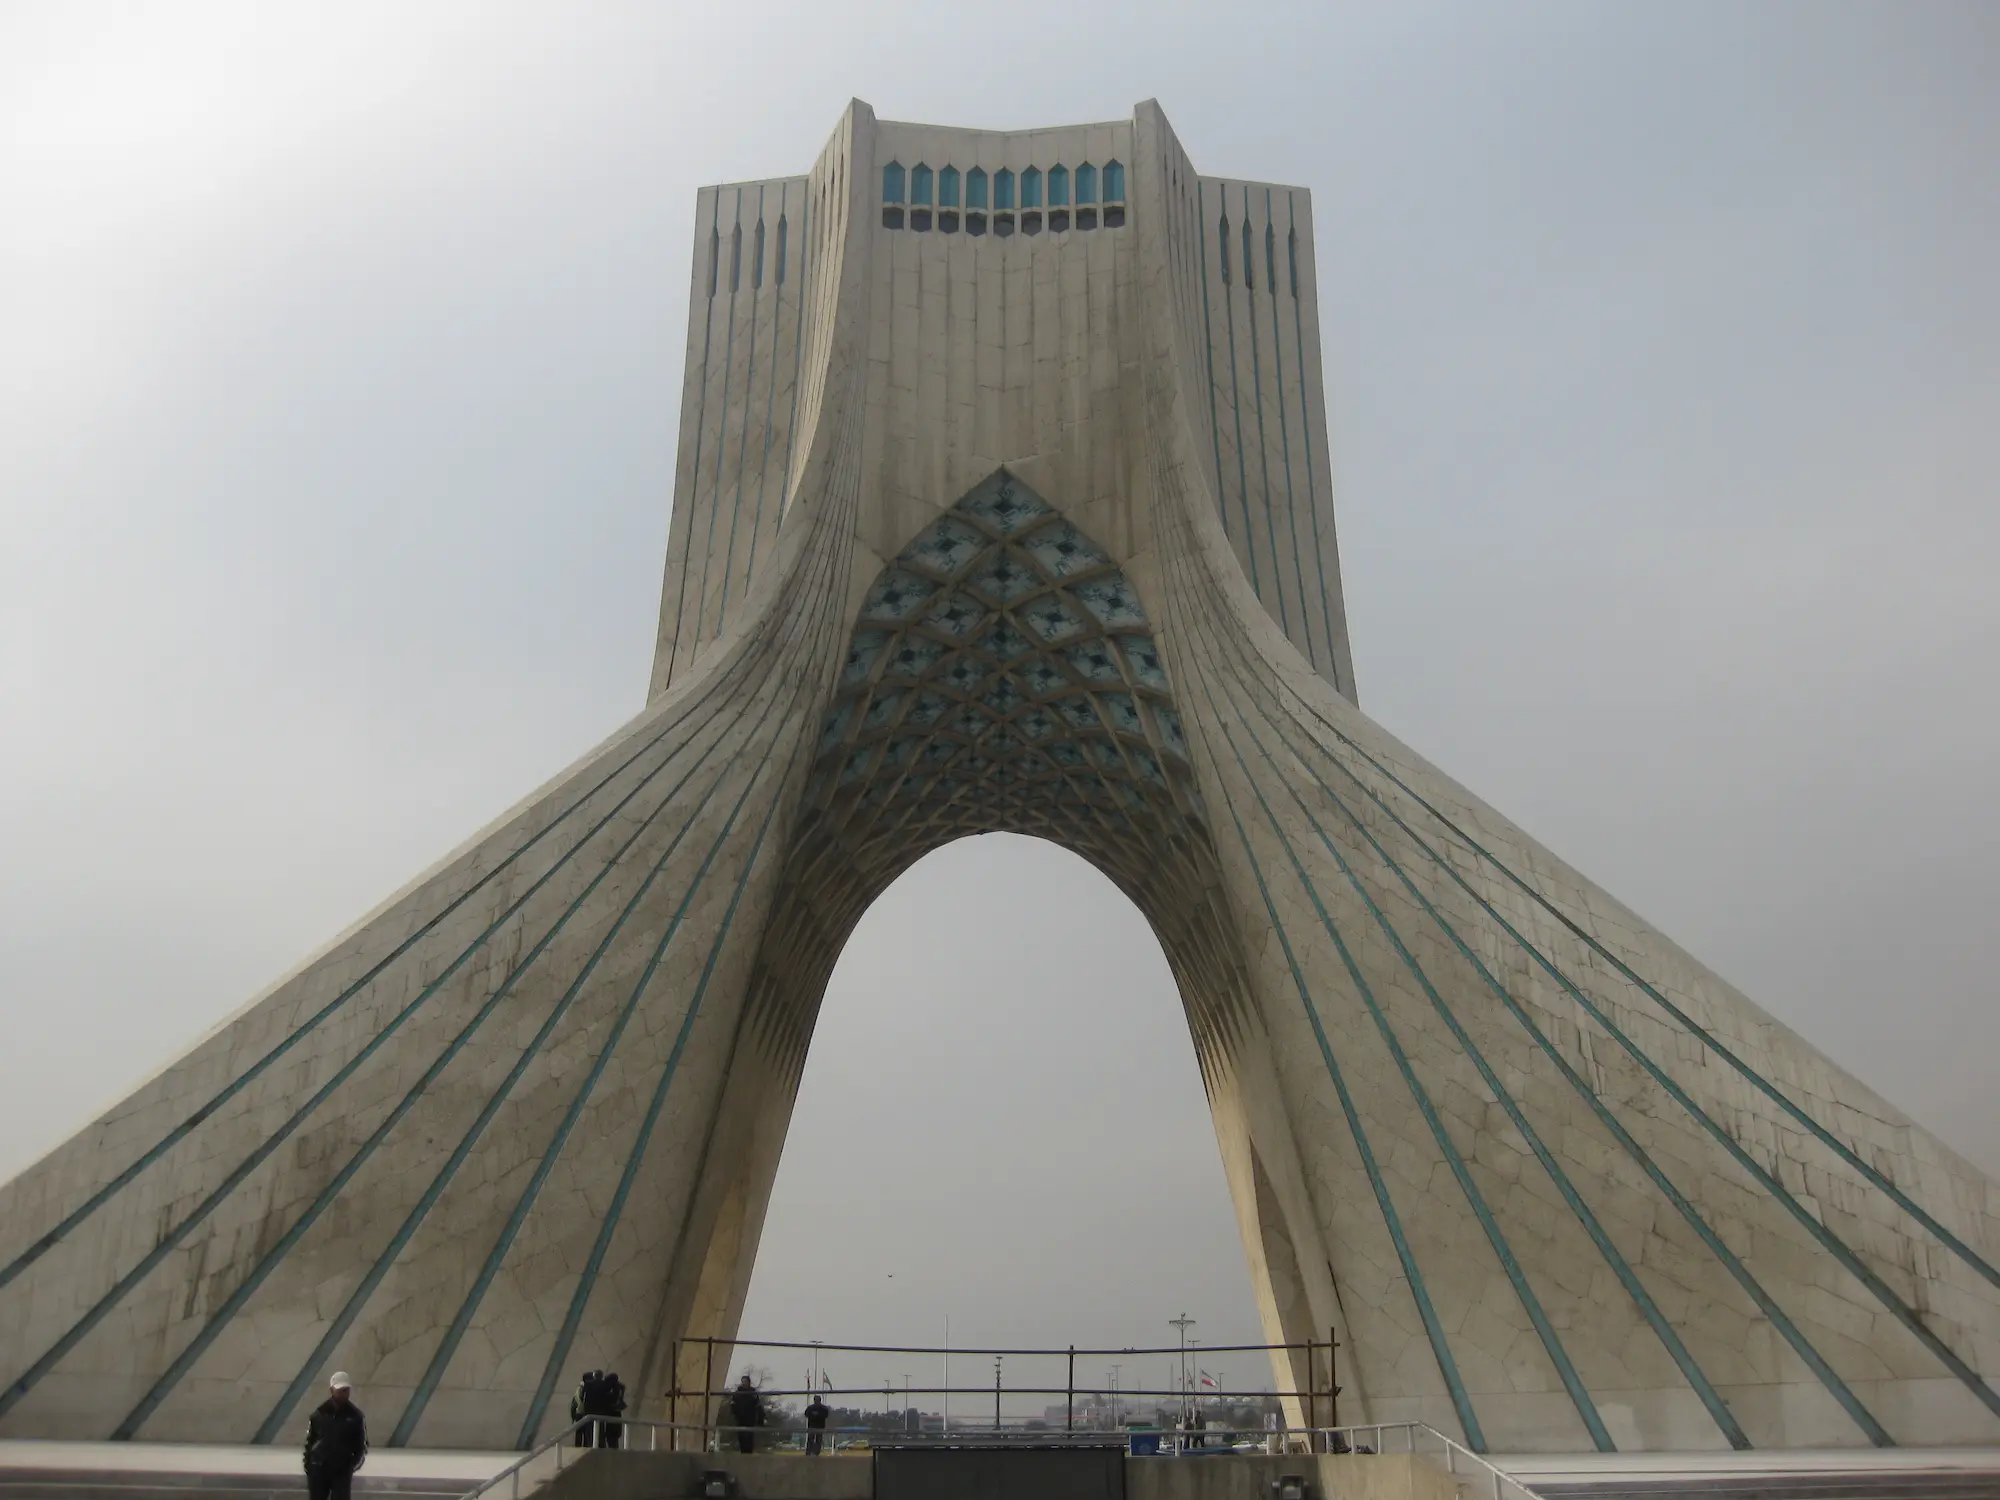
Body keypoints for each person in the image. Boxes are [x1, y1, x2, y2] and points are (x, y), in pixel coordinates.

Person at [302, 1373, 368, 1500]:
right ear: (332, 1390)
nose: (344, 1393)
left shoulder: (355, 1416)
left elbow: (361, 1445)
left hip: (341, 1471)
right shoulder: (319, 1413)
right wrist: (308, 1464)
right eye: (340, 1390)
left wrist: (351, 1466)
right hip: (318, 1468)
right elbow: (310, 1440)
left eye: (346, 1390)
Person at [728, 1375, 764, 1455]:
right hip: (740, 1417)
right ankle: (743, 1452)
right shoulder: (737, 1393)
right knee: (741, 1436)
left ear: (748, 1382)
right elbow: (732, 1404)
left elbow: (758, 1405)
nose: (744, 1383)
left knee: (749, 1436)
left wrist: (761, 1418)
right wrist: (734, 1412)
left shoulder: (753, 1393)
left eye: (745, 1382)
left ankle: (748, 1453)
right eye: (743, 1381)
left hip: (750, 1417)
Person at [803, 1391, 830, 1456]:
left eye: (817, 1400)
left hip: (819, 1426)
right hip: (812, 1426)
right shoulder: (810, 1408)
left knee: (818, 1440)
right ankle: (809, 1452)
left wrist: (816, 1415)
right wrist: (814, 1415)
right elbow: (806, 1414)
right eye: (816, 1400)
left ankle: (816, 1452)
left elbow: (826, 1415)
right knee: (811, 1440)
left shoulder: (823, 1408)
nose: (816, 1401)